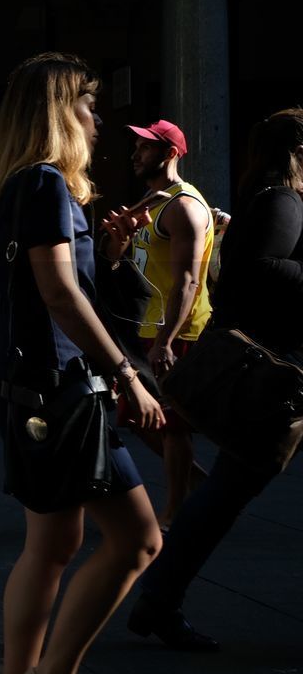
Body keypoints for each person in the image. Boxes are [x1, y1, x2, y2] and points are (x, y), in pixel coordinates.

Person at [0, 52, 165, 674]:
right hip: (59, 394)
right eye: (86, 104)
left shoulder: (33, 188)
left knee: (53, 545)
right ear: (59, 113)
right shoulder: (49, 186)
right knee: (139, 539)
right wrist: (126, 374)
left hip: (36, 389)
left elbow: (60, 291)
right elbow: (56, 295)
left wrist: (107, 258)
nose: (97, 117)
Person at [128, 109, 303, 652]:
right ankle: (158, 597)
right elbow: (252, 269)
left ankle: (158, 598)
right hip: (275, 370)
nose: (134, 153)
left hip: (263, 365)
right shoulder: (279, 199)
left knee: (221, 488)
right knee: (221, 488)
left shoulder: (254, 197)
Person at [100, 119, 214, 529]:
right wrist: (119, 242)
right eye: (135, 146)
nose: (135, 153)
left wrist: (166, 341)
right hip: (147, 329)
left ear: (169, 154)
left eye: (146, 147)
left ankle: (179, 508)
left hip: (177, 332)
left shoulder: (183, 206)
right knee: (136, 416)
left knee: (172, 424)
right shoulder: (152, 202)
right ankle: (200, 483)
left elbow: (188, 280)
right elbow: (122, 263)